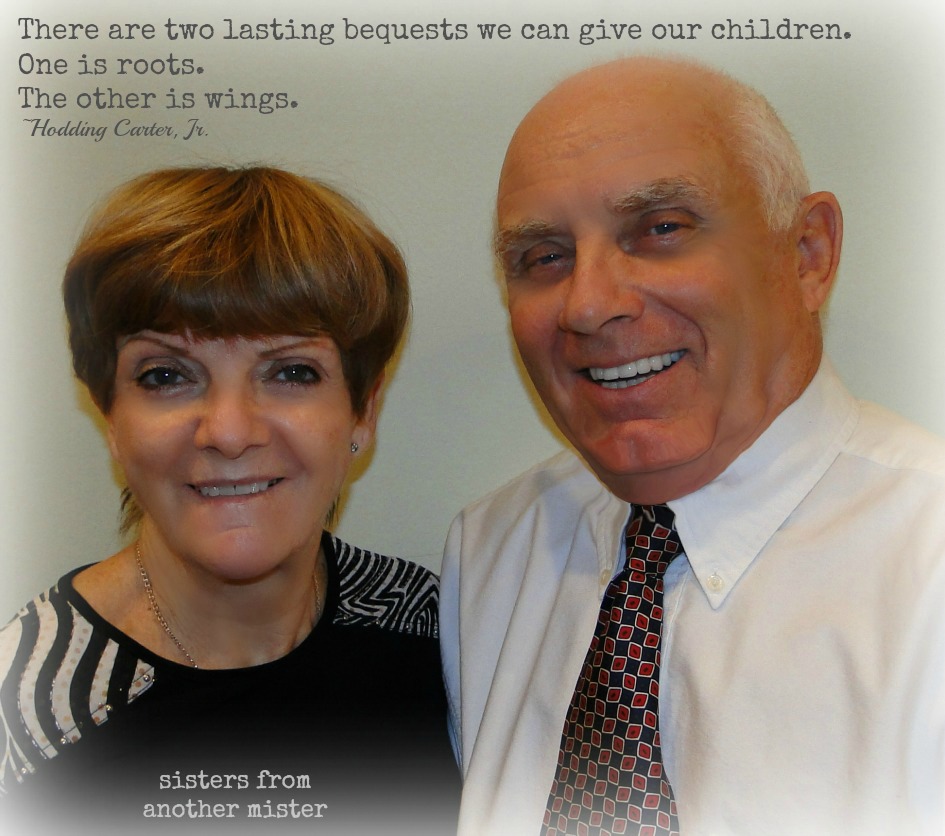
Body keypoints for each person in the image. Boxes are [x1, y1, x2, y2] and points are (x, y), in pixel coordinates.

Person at [440, 57, 945, 836]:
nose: (588, 304)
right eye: (544, 256)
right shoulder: (495, 551)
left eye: (661, 229)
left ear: (806, 253)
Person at [0, 166, 458, 834]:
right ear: (110, 417)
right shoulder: (32, 705)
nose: (230, 431)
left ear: (363, 409)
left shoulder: (437, 632)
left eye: (292, 371)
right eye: (166, 375)